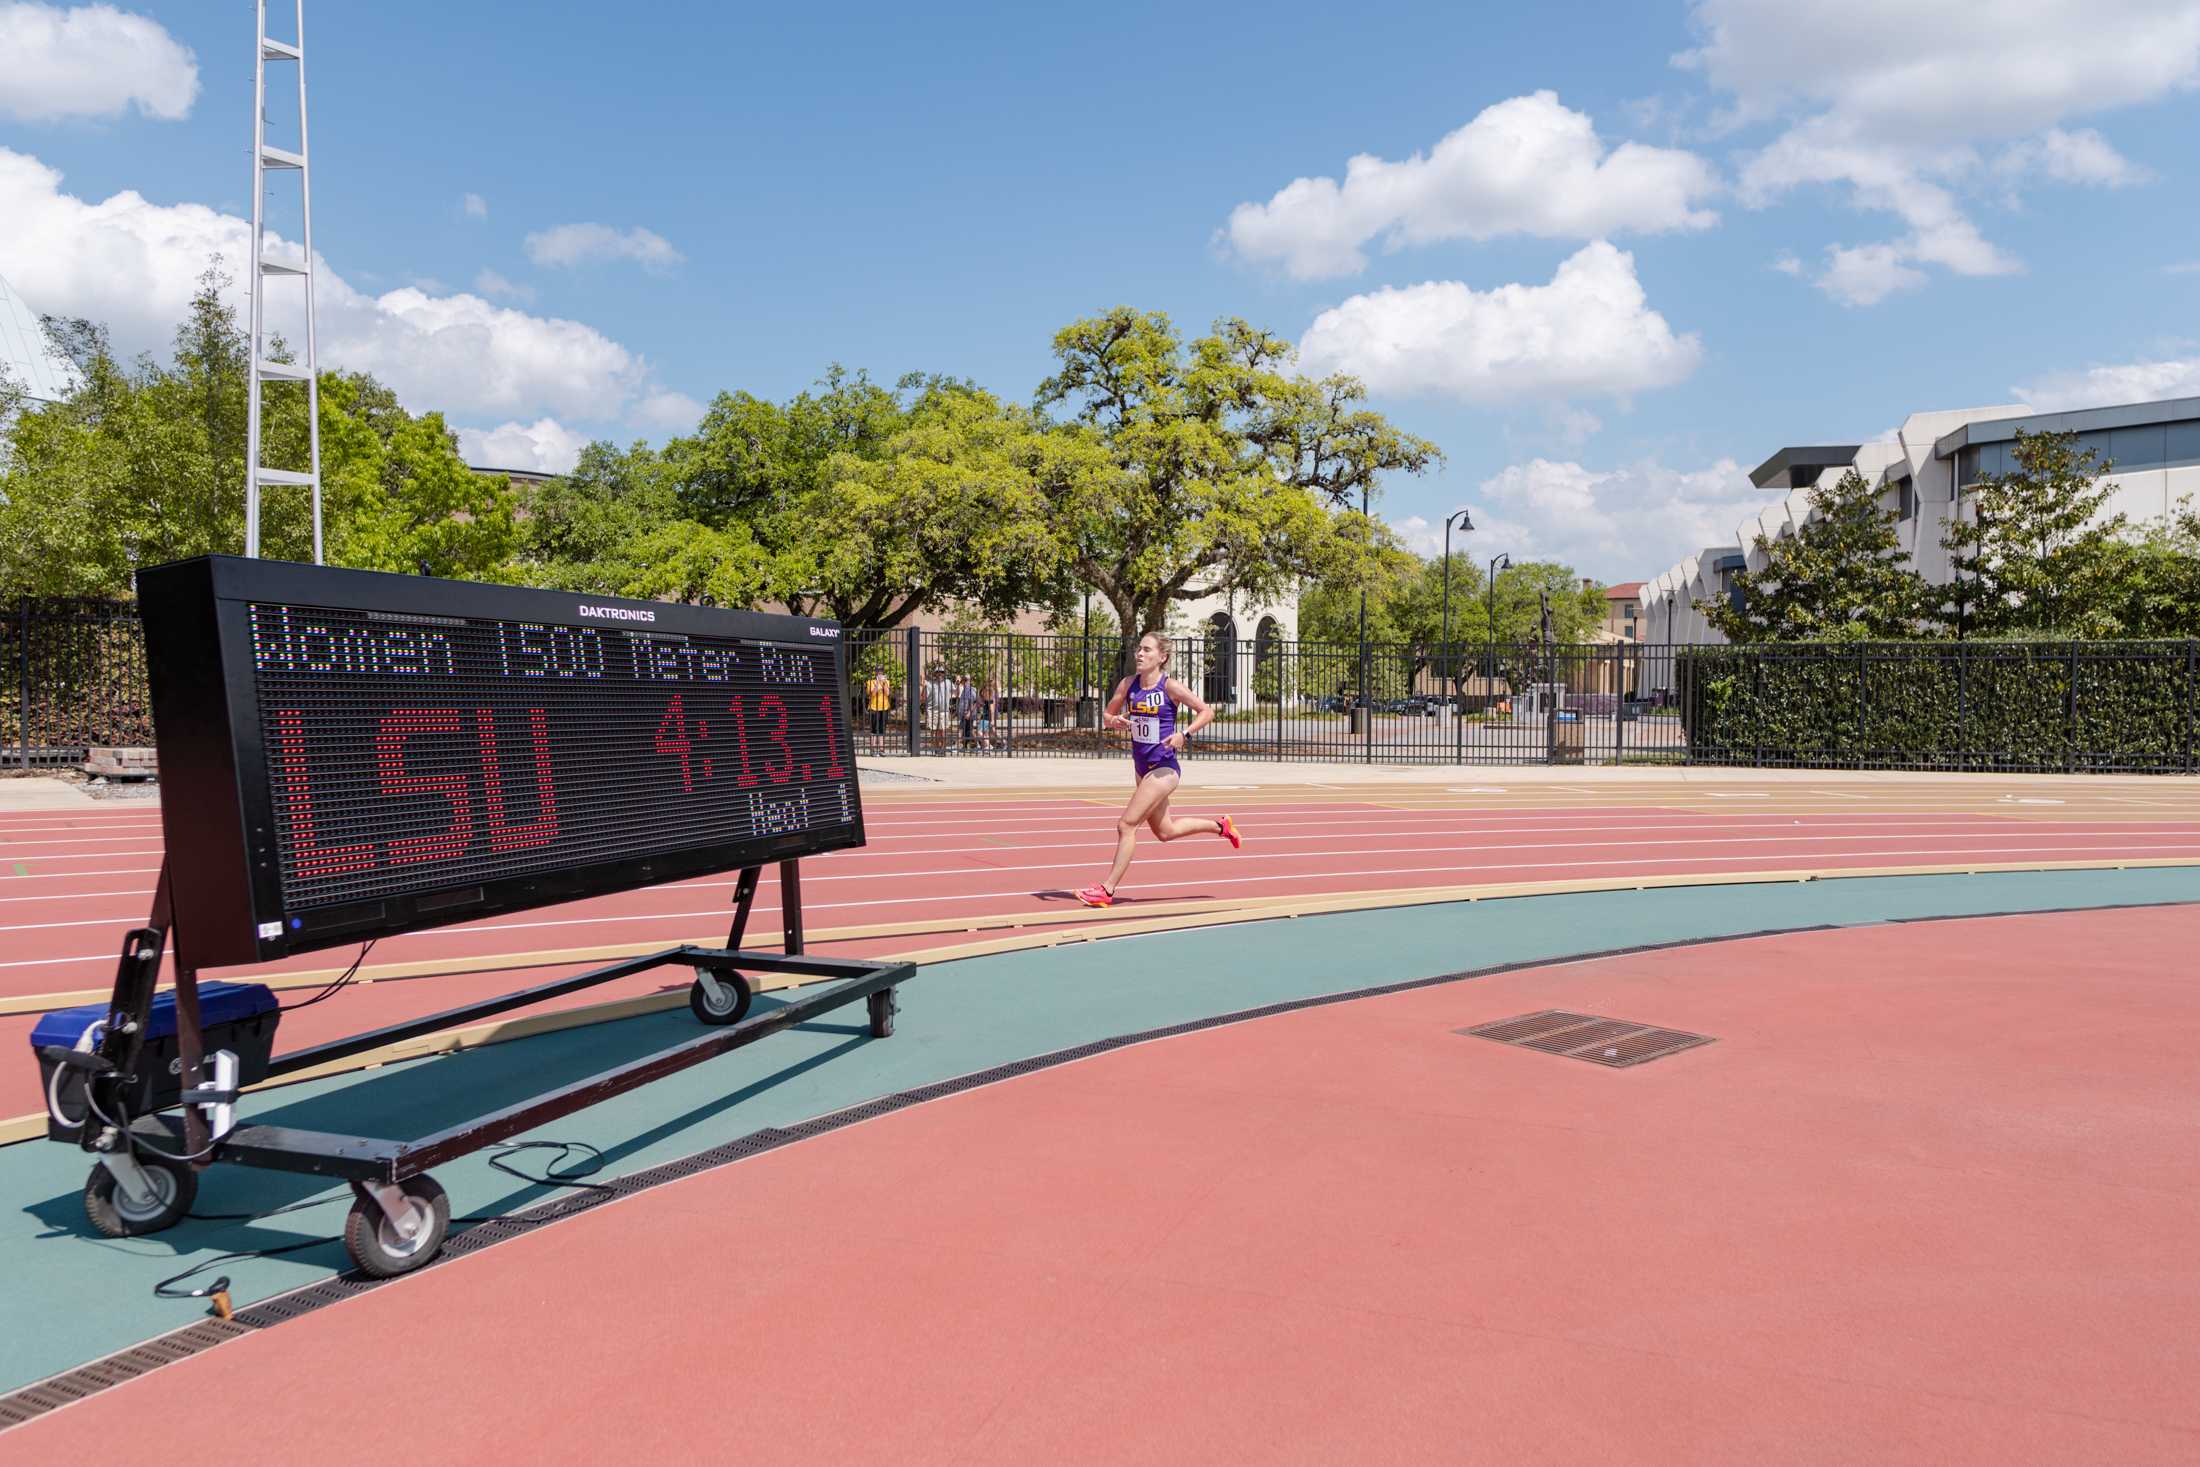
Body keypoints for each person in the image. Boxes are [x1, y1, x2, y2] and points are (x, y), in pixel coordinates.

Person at [1077, 632, 1241, 908]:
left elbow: (1206, 711)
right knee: (1166, 832)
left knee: (1126, 825)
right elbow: (1106, 716)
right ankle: (1221, 826)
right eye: (1138, 649)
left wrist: (1184, 734)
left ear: (1161, 657)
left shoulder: (1170, 687)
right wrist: (1113, 720)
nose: (1139, 654)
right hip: (1142, 768)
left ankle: (1107, 890)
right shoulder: (1128, 684)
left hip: (1164, 768)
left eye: (1146, 650)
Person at [866, 669, 892, 737]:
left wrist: (884, 683)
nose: (880, 674)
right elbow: (872, 694)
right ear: (876, 674)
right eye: (878, 673)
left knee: (882, 728)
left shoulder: (887, 682)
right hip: (873, 707)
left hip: (884, 707)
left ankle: (881, 747)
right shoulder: (870, 682)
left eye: (881, 673)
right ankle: (873, 746)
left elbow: (888, 693)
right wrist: (877, 683)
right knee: (873, 729)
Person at [955, 674, 978, 751]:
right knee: (967, 731)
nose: (965, 681)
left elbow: (974, 702)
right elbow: (957, 695)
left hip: (968, 714)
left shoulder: (971, 690)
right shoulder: (964, 689)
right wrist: (958, 684)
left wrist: (968, 713)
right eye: (964, 680)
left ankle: (956, 746)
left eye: (966, 680)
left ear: (970, 681)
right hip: (964, 714)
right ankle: (966, 746)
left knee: (961, 730)